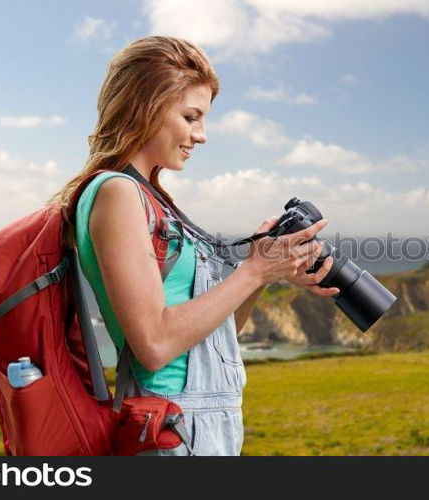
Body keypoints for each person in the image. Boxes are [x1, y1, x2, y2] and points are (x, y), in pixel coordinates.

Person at [49, 36, 339, 456]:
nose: (200, 136)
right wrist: (252, 271)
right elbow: (154, 344)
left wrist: (264, 275)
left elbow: (214, 337)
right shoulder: (116, 193)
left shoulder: (152, 198)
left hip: (204, 423)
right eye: (190, 116)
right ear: (144, 106)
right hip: (174, 427)